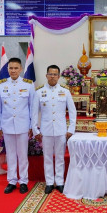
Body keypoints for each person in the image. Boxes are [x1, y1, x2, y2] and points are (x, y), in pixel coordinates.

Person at [32, 65, 76, 194]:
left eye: (55, 74)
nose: (52, 76)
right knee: (47, 157)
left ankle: (60, 182)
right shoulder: (39, 92)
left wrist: (71, 129)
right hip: (45, 131)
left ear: (59, 76)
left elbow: (72, 112)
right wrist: (36, 130)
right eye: (50, 74)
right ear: (46, 75)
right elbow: (34, 113)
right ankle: (50, 182)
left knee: (60, 157)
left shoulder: (65, 91)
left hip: (61, 130)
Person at [0, 58, 35, 194]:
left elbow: (32, 108)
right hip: (7, 125)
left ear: (21, 69)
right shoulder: (1, 85)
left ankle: (23, 180)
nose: (13, 71)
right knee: (11, 154)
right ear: (7, 69)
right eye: (11, 68)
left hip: (23, 125)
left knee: (22, 155)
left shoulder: (28, 85)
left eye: (16, 68)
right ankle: (11, 180)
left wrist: (32, 126)